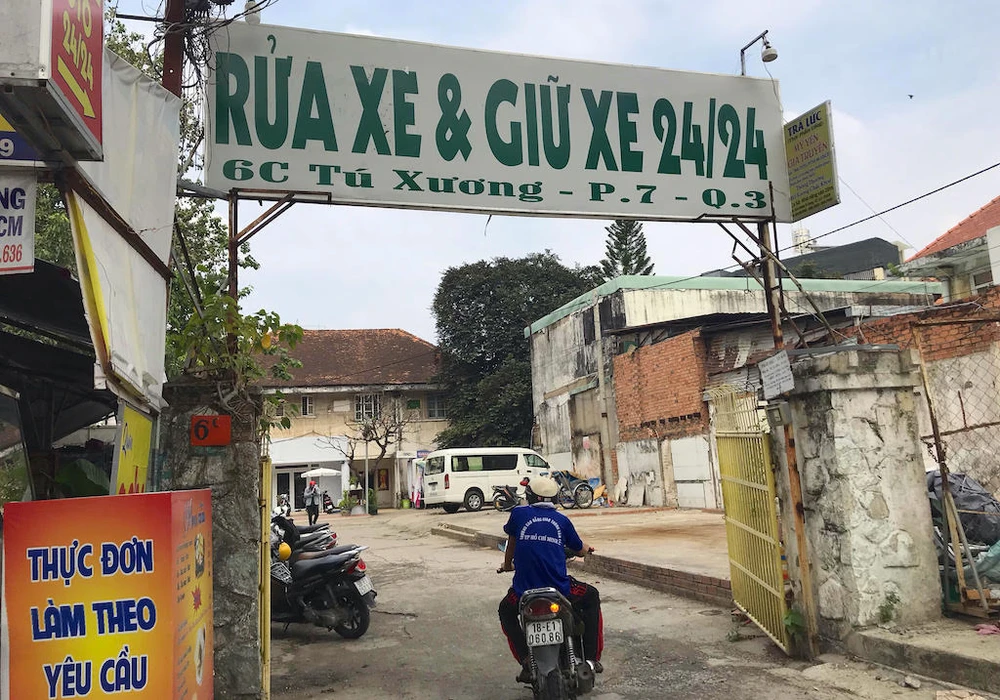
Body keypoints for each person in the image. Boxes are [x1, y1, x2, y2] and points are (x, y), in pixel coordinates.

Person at [497, 475, 604, 684]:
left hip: (523, 592)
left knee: (505, 611)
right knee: (591, 597)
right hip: (559, 590)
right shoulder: (562, 521)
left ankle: (526, 660)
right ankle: (591, 659)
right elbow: (579, 549)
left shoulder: (518, 514)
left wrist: (507, 565)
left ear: (530, 496)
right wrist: (586, 549)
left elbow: (512, 543)